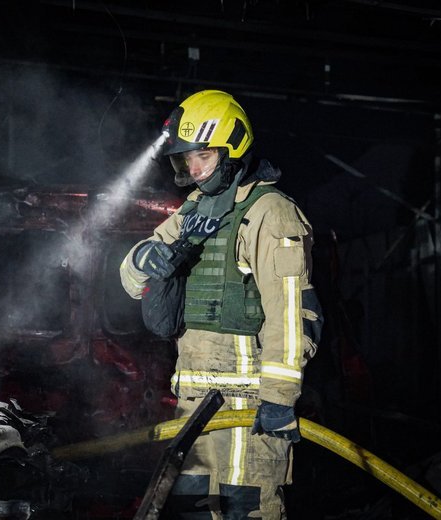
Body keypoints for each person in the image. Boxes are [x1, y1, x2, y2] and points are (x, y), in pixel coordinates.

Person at [120, 90, 323, 519]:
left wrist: (278, 399)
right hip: (193, 407)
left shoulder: (270, 212)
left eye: (204, 156)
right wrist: (142, 259)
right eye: (185, 160)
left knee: (243, 510)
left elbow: (289, 314)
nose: (193, 170)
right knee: (191, 510)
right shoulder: (194, 210)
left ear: (233, 149)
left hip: (247, 410)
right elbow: (132, 279)